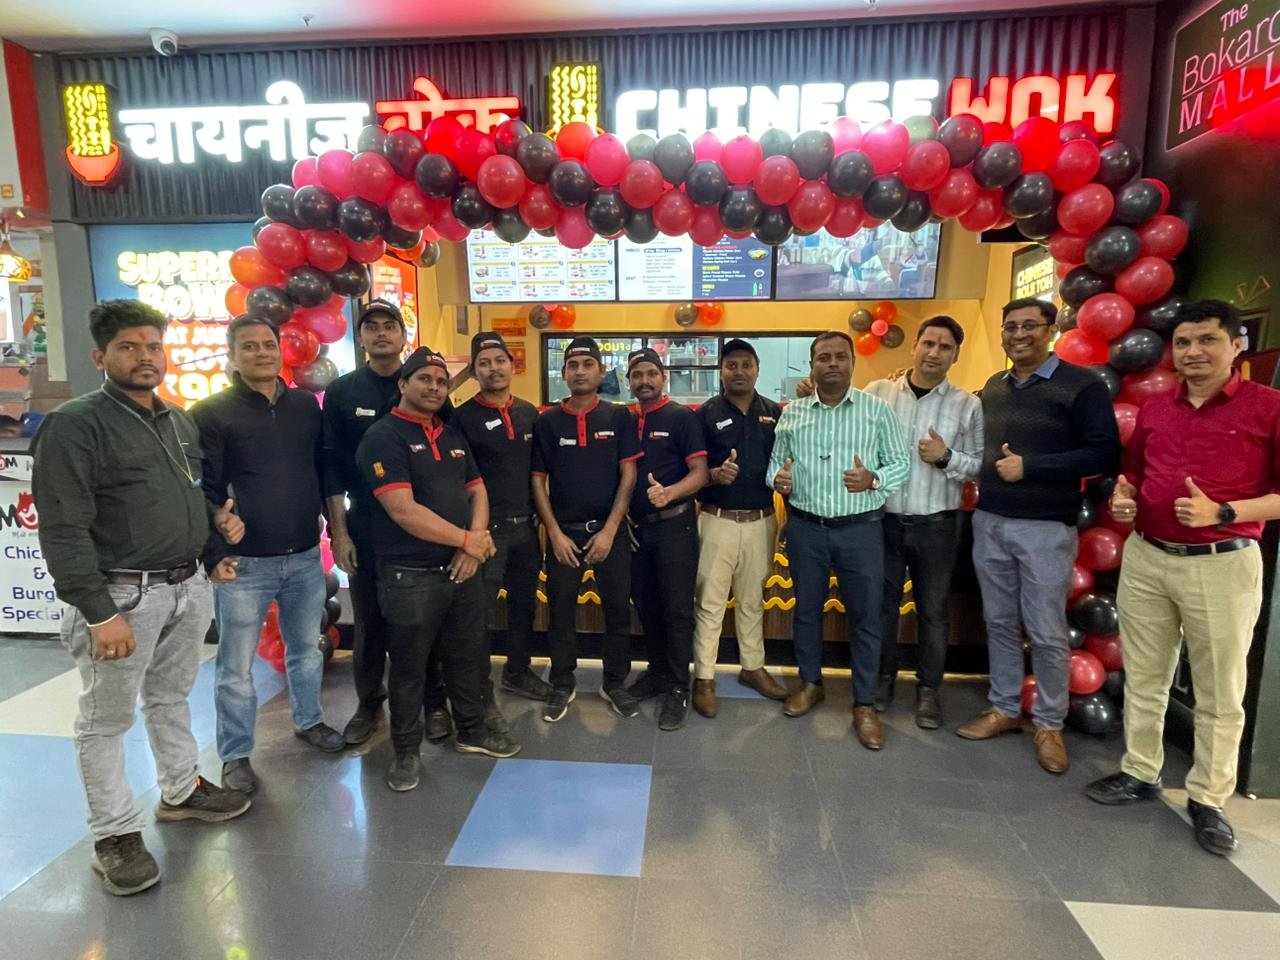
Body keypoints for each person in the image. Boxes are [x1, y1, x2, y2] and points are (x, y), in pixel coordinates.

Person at [32, 300, 250, 897]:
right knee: (104, 721)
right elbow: (63, 526)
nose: (145, 356)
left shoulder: (176, 420)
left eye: (153, 346)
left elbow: (187, 496)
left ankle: (180, 791)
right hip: (122, 595)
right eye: (129, 347)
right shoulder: (77, 425)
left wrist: (215, 535)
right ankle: (115, 835)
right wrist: (98, 612)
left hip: (187, 586)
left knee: (170, 697)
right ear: (100, 356)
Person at [1085, 300, 1280, 855]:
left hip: (1222, 561)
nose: (1193, 352)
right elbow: (1135, 474)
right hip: (1148, 557)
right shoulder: (1157, 409)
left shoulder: (1268, 407)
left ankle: (1209, 799)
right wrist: (1125, 501)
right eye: (1184, 343)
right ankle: (1140, 770)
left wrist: (1225, 511)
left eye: (1207, 340)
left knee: (1221, 689)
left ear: (1236, 345)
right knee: (1146, 676)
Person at [957, 297, 1120, 775]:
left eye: (1029, 325)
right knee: (999, 621)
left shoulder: (1081, 386)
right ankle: (1005, 708)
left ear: (1050, 330)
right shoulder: (994, 387)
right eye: (1010, 327)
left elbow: (1104, 454)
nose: (1018, 335)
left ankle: (1049, 723)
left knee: (1046, 629)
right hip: (991, 521)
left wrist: (1032, 467)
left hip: (1046, 528)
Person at [192, 315, 345, 796]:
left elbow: (323, 472)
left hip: (304, 555)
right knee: (235, 669)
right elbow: (204, 490)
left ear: (280, 351)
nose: (261, 353)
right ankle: (235, 754)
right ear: (232, 355)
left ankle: (310, 720)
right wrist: (216, 545)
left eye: (268, 344)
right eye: (250, 346)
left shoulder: (305, 406)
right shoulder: (212, 413)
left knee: (306, 650)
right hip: (245, 564)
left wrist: (336, 531)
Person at [355, 348, 519, 791]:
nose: (433, 387)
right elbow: (402, 510)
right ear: (403, 384)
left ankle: (472, 731)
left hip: (461, 570)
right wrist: (468, 541)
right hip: (410, 576)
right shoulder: (383, 437)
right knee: (409, 668)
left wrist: (473, 544)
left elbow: (477, 491)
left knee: (467, 657)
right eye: (424, 379)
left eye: (441, 382)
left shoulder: (450, 435)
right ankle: (406, 752)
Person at [767, 330, 911, 750]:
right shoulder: (793, 414)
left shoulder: (876, 411)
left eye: (839, 357)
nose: (832, 364)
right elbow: (775, 464)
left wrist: (874, 479)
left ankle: (863, 704)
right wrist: (778, 479)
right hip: (806, 528)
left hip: (861, 530)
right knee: (806, 612)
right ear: (812, 365)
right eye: (823, 357)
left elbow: (901, 463)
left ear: (852, 362)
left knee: (865, 617)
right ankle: (811, 684)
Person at [866, 316, 983, 729]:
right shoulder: (878, 394)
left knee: (933, 611)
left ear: (955, 355)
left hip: (937, 525)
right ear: (914, 346)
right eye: (928, 343)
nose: (934, 353)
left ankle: (929, 691)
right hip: (884, 521)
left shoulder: (967, 405)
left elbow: (979, 465)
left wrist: (946, 457)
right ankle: (883, 680)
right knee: (883, 608)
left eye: (945, 347)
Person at [532, 336, 642, 723]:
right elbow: (537, 481)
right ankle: (562, 683)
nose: (580, 372)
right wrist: (554, 533)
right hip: (564, 535)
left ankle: (615, 683)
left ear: (600, 371)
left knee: (618, 611)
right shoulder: (548, 421)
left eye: (587, 365)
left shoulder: (619, 417)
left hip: (609, 534)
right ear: (563, 373)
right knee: (560, 612)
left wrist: (610, 530)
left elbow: (629, 475)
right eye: (573, 366)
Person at [452, 331, 555, 703]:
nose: (493, 368)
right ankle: (478, 688)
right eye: (483, 363)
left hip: (526, 529)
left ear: (513, 366)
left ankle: (517, 672)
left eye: (499, 361)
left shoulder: (529, 413)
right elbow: (458, 481)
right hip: (484, 534)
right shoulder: (461, 418)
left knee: (524, 607)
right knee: (478, 613)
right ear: (474, 371)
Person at [691, 338, 788, 718]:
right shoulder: (705, 414)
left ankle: (753, 668)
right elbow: (692, 471)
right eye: (732, 365)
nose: (739, 371)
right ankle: (704, 677)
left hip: (762, 521)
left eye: (747, 364)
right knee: (710, 604)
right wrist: (714, 474)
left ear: (757, 370)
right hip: (717, 521)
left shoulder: (774, 413)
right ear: (722, 371)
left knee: (751, 602)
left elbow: (787, 460)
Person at [624, 347, 709, 730]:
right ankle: (657, 672)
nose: (644, 381)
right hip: (637, 530)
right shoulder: (626, 420)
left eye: (651, 374)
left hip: (676, 527)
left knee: (677, 610)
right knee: (646, 605)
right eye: (637, 375)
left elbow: (700, 472)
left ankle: (678, 686)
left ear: (663, 378)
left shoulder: (681, 417)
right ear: (629, 381)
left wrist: (669, 493)